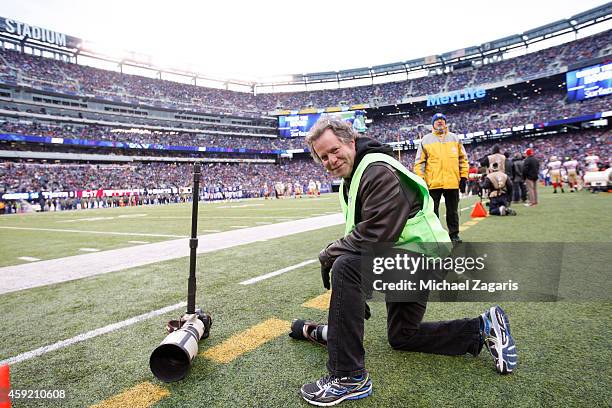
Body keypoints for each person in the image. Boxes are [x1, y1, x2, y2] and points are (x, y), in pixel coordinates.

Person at [299, 117, 517, 406]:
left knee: (346, 267)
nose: (330, 160)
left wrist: (329, 254)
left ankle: (348, 377)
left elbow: (376, 236)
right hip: (414, 258)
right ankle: (481, 328)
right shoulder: (353, 178)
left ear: (351, 142)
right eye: (323, 156)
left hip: (422, 260)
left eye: (334, 150)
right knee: (403, 336)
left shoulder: (377, 171)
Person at [414, 113, 468, 243]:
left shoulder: (455, 138)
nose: (439, 122)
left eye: (442, 120)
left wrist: (464, 177)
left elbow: (463, 159)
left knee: (452, 212)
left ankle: (454, 235)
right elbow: (419, 162)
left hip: (452, 182)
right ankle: (436, 236)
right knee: (432, 213)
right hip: (433, 183)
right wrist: (421, 180)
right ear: (432, 124)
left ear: (445, 123)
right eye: (437, 120)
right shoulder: (426, 140)